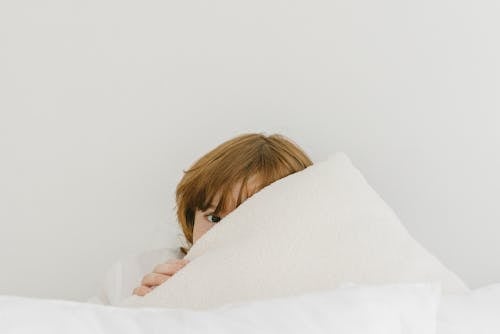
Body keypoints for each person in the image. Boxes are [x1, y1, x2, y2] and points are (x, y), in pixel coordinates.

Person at [132, 133, 313, 296]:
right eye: (214, 219)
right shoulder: (144, 271)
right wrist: (147, 308)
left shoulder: (308, 285)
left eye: (251, 219)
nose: (225, 234)